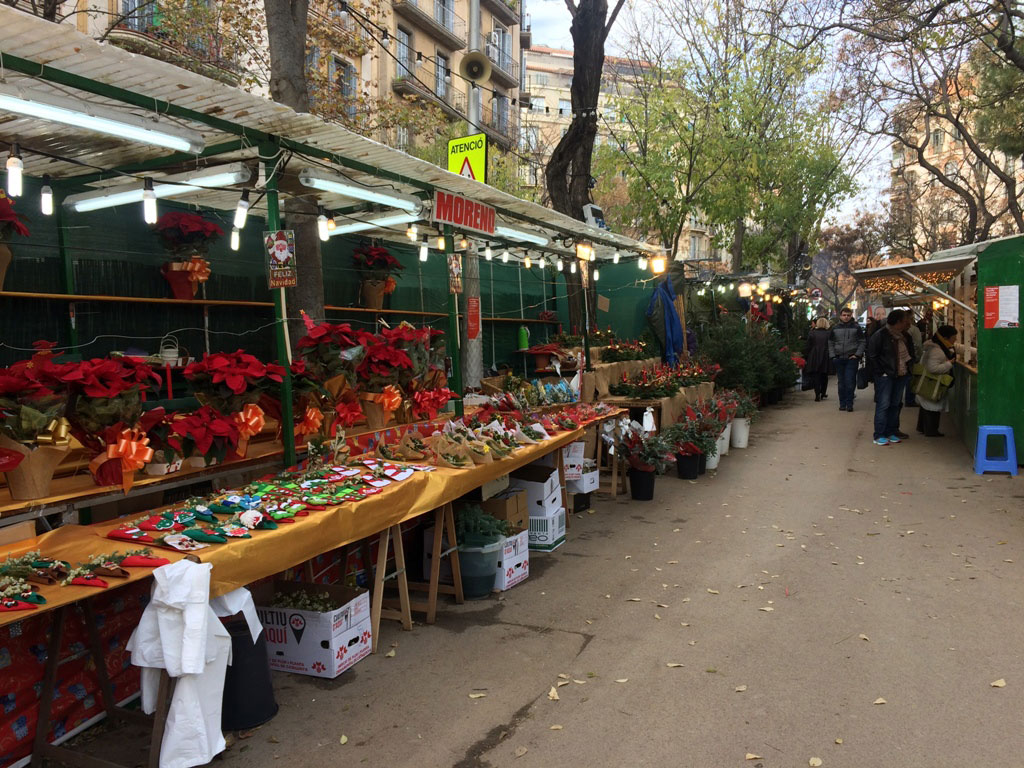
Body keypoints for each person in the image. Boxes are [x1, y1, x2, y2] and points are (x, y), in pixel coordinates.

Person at [866, 309, 914, 445]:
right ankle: (879, 434)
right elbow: (872, 355)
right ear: (898, 322)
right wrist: (881, 372)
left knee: (895, 404)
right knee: (884, 404)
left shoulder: (905, 336)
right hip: (886, 375)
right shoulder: (880, 335)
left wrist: (910, 367)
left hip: (901, 373)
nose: (907, 324)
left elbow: (911, 353)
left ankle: (891, 431)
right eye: (905, 321)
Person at [915, 324, 957, 437]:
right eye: (954, 337)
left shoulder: (939, 345)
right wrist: (949, 364)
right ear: (946, 338)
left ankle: (923, 428)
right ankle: (931, 431)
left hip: (929, 382)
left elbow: (959, 347)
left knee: (926, 406)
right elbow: (932, 368)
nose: (955, 340)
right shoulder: (937, 350)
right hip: (932, 382)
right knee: (932, 407)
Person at [828, 306, 866, 411]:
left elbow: (862, 341)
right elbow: (830, 342)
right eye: (844, 315)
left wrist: (857, 355)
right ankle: (842, 403)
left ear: (851, 316)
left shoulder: (856, 328)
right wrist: (833, 356)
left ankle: (849, 403)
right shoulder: (835, 328)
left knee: (850, 381)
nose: (846, 317)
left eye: (848, 315)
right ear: (840, 316)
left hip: (851, 358)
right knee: (841, 383)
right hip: (839, 358)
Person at [803, 317, 832, 401]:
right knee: (824, 375)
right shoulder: (829, 333)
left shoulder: (812, 333)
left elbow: (808, 345)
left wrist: (806, 355)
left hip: (814, 354)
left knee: (816, 375)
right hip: (825, 354)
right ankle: (823, 393)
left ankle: (817, 394)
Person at [904, 311, 923, 407]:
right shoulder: (914, 330)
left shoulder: (900, 329)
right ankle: (910, 399)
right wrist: (919, 357)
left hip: (902, 358)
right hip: (912, 357)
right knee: (910, 379)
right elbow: (918, 345)